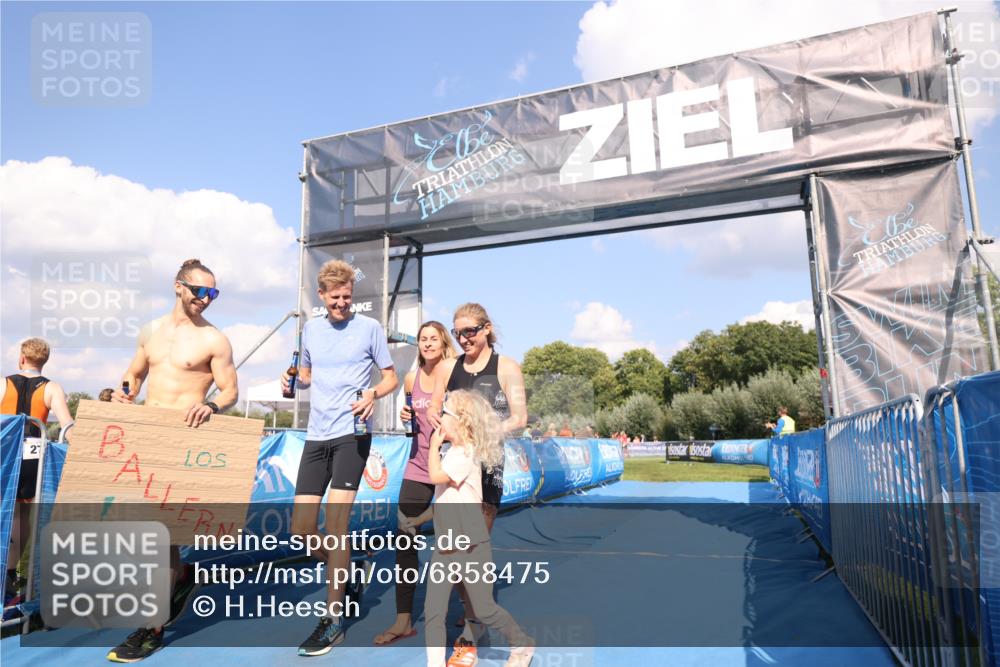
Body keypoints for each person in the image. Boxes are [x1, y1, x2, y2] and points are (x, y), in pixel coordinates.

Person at [107, 258, 239, 663]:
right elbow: (133, 377)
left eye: (213, 293)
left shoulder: (215, 340)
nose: (206, 299)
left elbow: (230, 390)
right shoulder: (150, 332)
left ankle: (151, 628)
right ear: (178, 287)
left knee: (159, 539)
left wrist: (213, 407)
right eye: (200, 291)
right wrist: (121, 394)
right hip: (147, 439)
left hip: (186, 443)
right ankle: (180, 578)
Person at [282, 259, 398, 657]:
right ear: (321, 296)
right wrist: (293, 378)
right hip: (317, 436)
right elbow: (309, 375)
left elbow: (390, 377)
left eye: (348, 297)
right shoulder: (310, 329)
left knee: (335, 526)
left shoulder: (370, 328)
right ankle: (346, 570)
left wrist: (372, 394)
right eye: (335, 298)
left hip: (352, 434)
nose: (343, 304)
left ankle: (333, 620)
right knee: (300, 530)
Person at [402, 390, 534, 667]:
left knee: (485, 610)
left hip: (472, 547)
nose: (440, 419)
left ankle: (521, 643)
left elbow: (436, 476)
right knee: (434, 612)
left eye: (445, 413)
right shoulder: (452, 453)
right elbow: (443, 499)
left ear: (462, 421)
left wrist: (433, 447)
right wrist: (419, 519)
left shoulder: (466, 453)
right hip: (445, 549)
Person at [429, 303, 526, 665]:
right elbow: (434, 407)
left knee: (469, 550)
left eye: (470, 331)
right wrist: (422, 412)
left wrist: (481, 433)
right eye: (458, 333)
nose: (464, 338)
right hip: (455, 464)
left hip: (487, 467)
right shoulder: (450, 368)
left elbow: (520, 417)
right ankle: (475, 618)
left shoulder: (506, 367)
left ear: (486, 329)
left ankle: (471, 631)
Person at [373, 321, 457, 646]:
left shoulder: (454, 374)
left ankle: (464, 617)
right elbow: (411, 417)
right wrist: (405, 418)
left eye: (433, 338)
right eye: (423, 339)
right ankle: (403, 619)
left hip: (448, 468)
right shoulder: (411, 378)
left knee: (453, 544)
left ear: (443, 342)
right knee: (405, 539)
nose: (427, 343)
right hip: (417, 465)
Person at [1, 337, 73, 600]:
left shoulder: (3, 384)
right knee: (21, 516)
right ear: (45, 361)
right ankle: (9, 573)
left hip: (4, 455)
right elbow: (67, 426)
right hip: (32, 457)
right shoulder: (52, 388)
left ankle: (4, 573)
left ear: (21, 358)